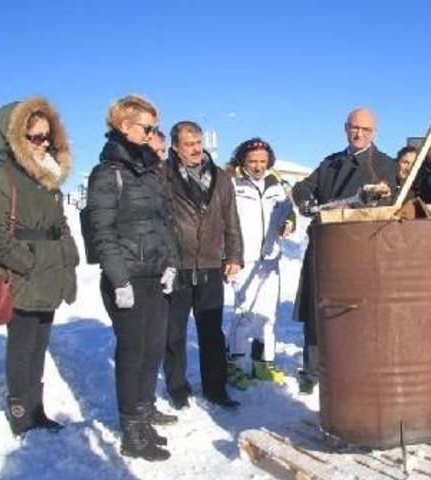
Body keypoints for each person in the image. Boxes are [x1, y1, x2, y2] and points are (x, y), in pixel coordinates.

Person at [0, 97, 79, 436]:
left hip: (49, 273)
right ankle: (20, 411)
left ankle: (38, 410)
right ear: (15, 138)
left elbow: (61, 225)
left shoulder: (48, 177)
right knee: (22, 348)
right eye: (35, 137)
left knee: (39, 347)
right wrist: (28, 263)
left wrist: (68, 265)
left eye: (46, 136)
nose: (44, 143)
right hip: (21, 276)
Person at [86, 95, 178, 460]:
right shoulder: (107, 174)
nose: (153, 134)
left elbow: (162, 222)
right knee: (132, 353)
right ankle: (131, 431)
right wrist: (119, 279)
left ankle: (142, 414)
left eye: (155, 128)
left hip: (155, 275)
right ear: (124, 127)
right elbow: (102, 232)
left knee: (154, 347)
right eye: (148, 128)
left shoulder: (150, 171)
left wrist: (170, 262)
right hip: (128, 278)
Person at [291, 107, 397, 394]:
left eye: (365, 129)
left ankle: (355, 371)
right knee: (317, 310)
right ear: (345, 128)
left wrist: (376, 197)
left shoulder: (385, 165)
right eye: (354, 128)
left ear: (374, 132)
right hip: (324, 248)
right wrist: (303, 201)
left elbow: (391, 198)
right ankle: (311, 372)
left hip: (359, 252)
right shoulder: (329, 163)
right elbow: (302, 187)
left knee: (354, 315)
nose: (359, 133)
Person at [162, 120, 243, 410]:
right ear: (175, 147)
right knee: (174, 332)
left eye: (198, 143)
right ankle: (177, 389)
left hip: (210, 262)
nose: (196, 149)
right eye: (189, 144)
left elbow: (230, 219)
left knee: (211, 330)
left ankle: (216, 388)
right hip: (177, 264)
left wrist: (234, 255)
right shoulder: (163, 176)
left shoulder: (220, 177)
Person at [225, 138, 295, 389]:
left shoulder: (277, 184)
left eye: (263, 161)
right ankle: (234, 364)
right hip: (243, 259)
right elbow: (223, 221)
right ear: (243, 160)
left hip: (270, 258)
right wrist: (229, 255)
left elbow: (289, 213)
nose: (258, 166)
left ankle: (263, 363)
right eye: (253, 161)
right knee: (244, 313)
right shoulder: (232, 184)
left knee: (268, 314)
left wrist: (289, 224)